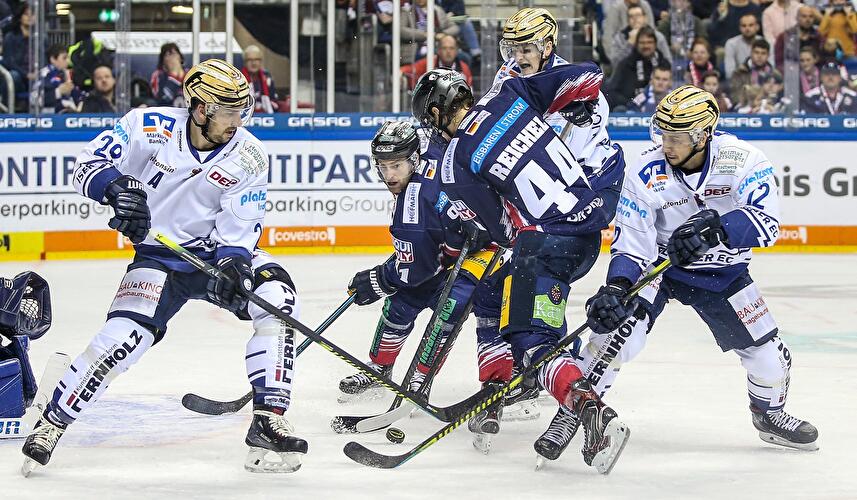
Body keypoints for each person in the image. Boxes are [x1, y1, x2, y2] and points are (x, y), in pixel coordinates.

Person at [21, 59, 308, 476]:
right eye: (230, 111)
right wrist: (117, 190)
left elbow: (241, 226)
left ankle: (268, 419)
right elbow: (87, 165)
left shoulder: (249, 154)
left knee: (277, 299)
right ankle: (52, 422)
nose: (239, 120)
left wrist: (235, 264)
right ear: (200, 109)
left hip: (213, 256)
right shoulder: (147, 126)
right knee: (120, 342)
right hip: (158, 259)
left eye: (242, 110)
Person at [411, 64, 631, 474]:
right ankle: (548, 375)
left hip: (546, 244)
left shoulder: (456, 160)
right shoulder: (508, 94)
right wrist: (577, 107)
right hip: (588, 234)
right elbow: (588, 75)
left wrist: (474, 230)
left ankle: (592, 413)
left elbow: (503, 229)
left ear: (438, 112)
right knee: (519, 303)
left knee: (531, 344)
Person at [583, 84, 819, 453]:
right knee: (614, 340)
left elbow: (767, 223)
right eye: (663, 134)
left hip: (722, 273)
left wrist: (716, 229)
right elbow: (632, 243)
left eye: (676, 137)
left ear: (703, 133)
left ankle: (768, 414)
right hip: (659, 269)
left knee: (771, 359)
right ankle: (579, 403)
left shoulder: (744, 160)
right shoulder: (646, 170)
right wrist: (616, 287)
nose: (667, 145)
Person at [493, 7, 629, 448]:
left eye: (526, 47)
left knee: (533, 316)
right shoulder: (506, 79)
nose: (518, 55)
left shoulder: (580, 94)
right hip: (525, 223)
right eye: (511, 47)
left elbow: (577, 178)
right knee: (496, 295)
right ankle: (530, 373)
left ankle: (571, 394)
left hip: (559, 227)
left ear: (548, 46)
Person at [342, 120, 521, 449]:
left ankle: (424, 380)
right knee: (400, 305)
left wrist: (379, 278)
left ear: (413, 159)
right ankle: (379, 369)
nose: (389, 175)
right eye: (383, 167)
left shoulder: (412, 210)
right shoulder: (431, 160)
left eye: (396, 165)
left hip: (483, 253)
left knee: (448, 313)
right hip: (449, 252)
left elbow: (413, 270)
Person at [606, 25, 668, 110]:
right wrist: (629, 103)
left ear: (655, 44)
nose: (646, 46)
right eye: (642, 42)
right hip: (630, 110)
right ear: (636, 44)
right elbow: (612, 92)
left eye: (649, 42)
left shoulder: (663, 63)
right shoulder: (625, 64)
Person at [401, 34, 472, 89]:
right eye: (444, 48)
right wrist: (400, 72)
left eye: (451, 48)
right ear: (438, 50)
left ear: (456, 51)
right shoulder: (428, 63)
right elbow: (410, 69)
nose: (448, 52)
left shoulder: (464, 68)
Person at [730, 39, 775, 108]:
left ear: (768, 55)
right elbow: (735, 97)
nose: (759, 56)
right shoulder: (739, 73)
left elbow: (777, 97)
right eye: (756, 52)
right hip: (745, 110)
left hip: (768, 109)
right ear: (751, 53)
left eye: (763, 53)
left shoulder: (774, 74)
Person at [774, 5, 821, 71]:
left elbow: (821, 59)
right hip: (791, 74)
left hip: (813, 74)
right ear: (797, 18)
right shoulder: (785, 37)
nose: (808, 20)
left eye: (811, 16)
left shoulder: (818, 37)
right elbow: (779, 61)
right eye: (804, 16)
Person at [40, 43, 81, 114]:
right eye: (64, 58)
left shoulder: (68, 74)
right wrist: (58, 92)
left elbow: (77, 95)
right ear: (53, 59)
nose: (68, 61)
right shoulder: (44, 74)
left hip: (71, 113)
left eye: (68, 58)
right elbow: (35, 100)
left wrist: (81, 102)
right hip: (51, 116)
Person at [241, 45, 280, 113]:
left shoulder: (267, 77)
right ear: (244, 62)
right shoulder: (238, 80)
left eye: (256, 59)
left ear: (261, 61)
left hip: (265, 116)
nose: (254, 63)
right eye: (250, 60)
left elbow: (274, 101)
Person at [723, 13, 763, 79]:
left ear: (757, 27)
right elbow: (729, 73)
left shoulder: (765, 43)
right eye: (744, 26)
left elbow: (771, 68)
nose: (747, 28)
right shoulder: (731, 44)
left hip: (762, 81)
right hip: (739, 80)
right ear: (739, 28)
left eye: (751, 25)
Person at [149, 43, 186, 107]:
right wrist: (174, 75)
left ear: (180, 58)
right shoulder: (158, 75)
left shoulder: (190, 73)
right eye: (168, 55)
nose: (172, 58)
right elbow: (161, 100)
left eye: (174, 53)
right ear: (163, 61)